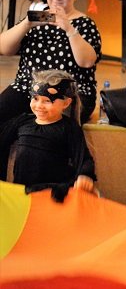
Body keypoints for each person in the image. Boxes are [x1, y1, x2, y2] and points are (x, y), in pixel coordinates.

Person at [0, 0, 102, 125]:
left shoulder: (85, 24)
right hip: (29, 87)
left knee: (49, 123)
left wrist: (69, 28)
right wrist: (26, 24)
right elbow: (5, 49)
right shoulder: (37, 18)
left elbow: (86, 61)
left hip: (69, 92)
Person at [0, 70, 97, 201]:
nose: (39, 105)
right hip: (24, 194)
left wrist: (84, 175)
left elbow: (83, 157)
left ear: (66, 103)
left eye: (47, 101)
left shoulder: (69, 128)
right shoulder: (23, 121)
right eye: (35, 98)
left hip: (54, 194)